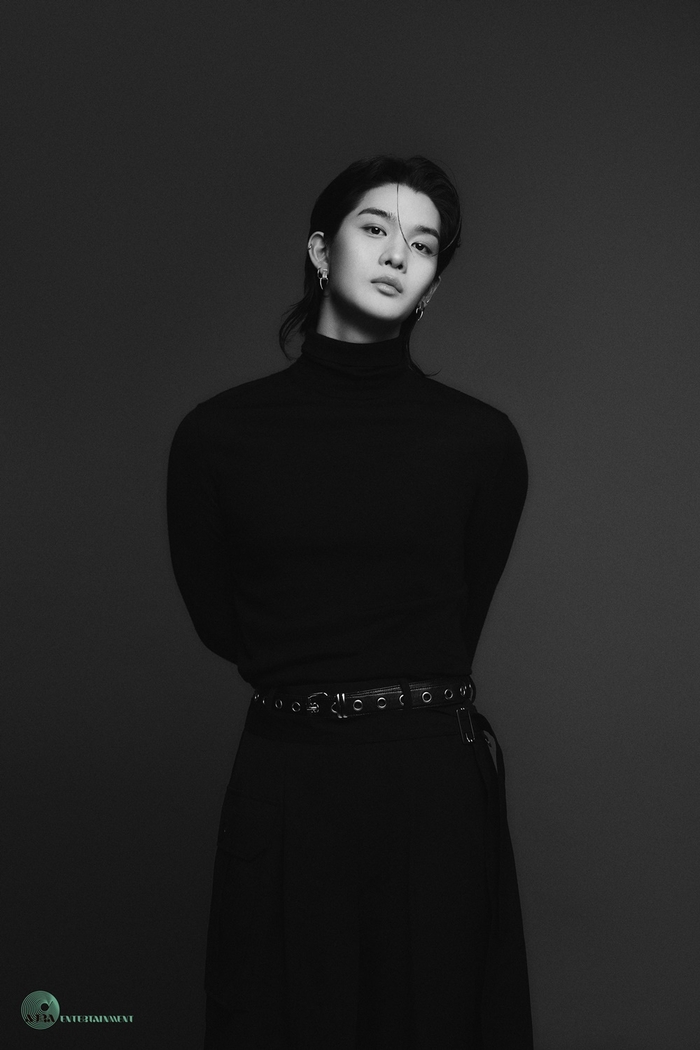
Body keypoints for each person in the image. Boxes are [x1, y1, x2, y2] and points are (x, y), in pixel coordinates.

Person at [166, 155, 533, 1050]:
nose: (398, 254)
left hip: (431, 785)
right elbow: (221, 623)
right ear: (321, 251)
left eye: (424, 244)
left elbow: (455, 620)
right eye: (375, 229)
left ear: (433, 283)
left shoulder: (481, 442)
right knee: (278, 1018)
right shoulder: (218, 435)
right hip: (289, 775)